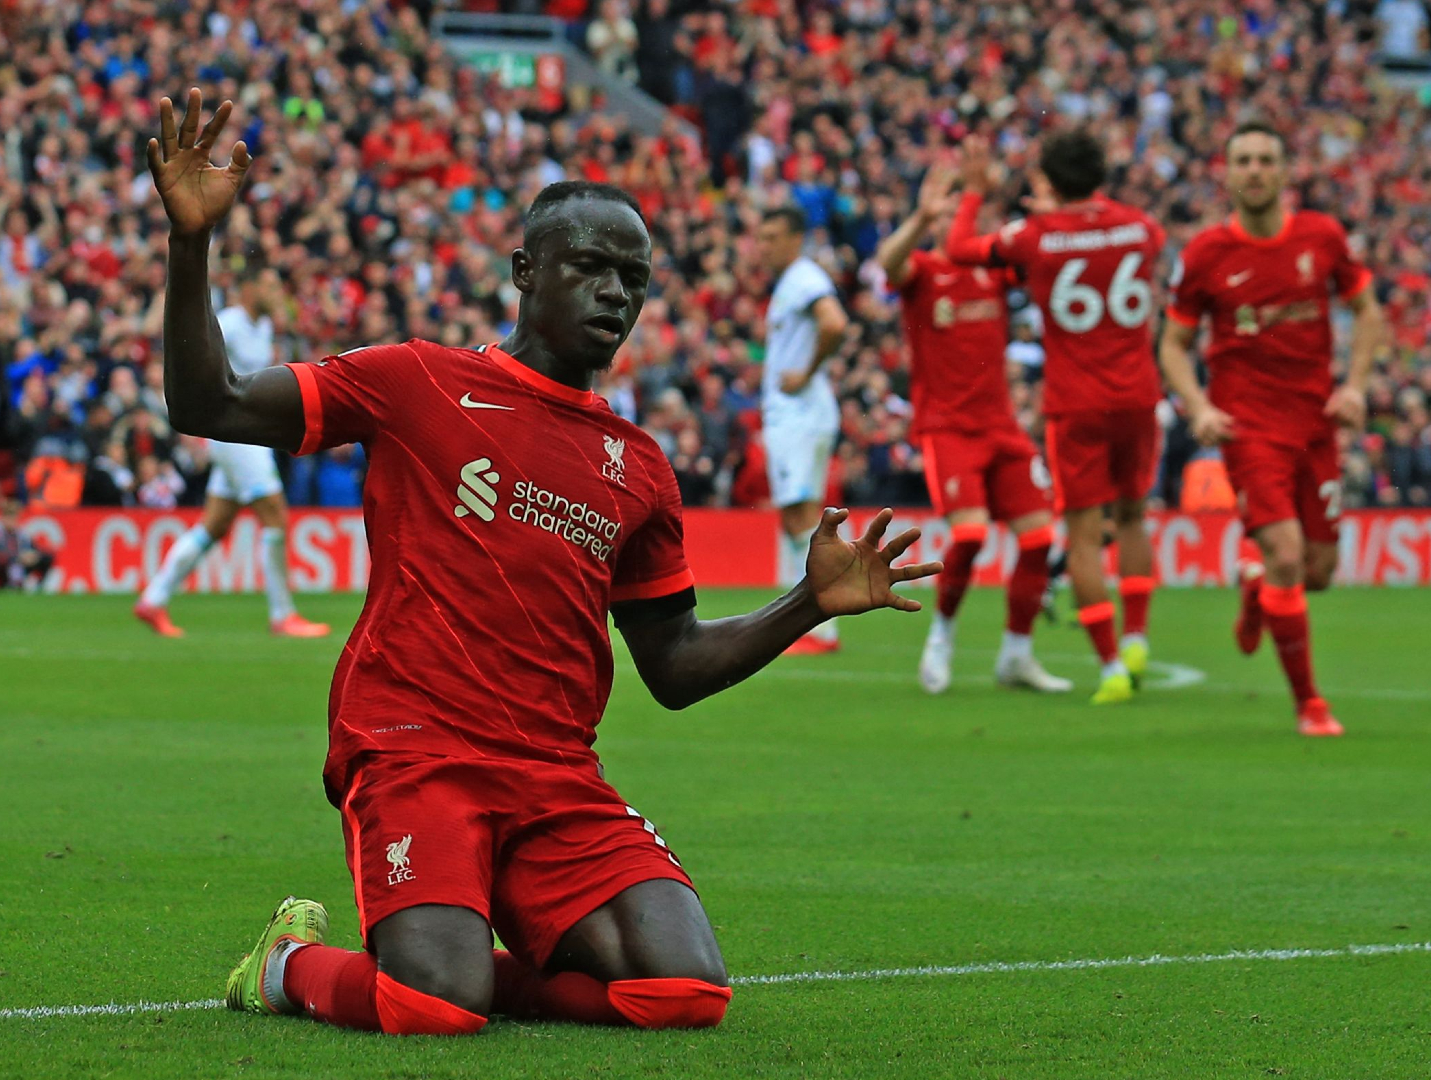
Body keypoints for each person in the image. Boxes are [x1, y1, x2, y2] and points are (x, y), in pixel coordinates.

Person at [147, 89, 938, 1036]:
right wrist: (190, 244)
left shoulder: (639, 464)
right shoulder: (418, 381)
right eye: (593, 268)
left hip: (555, 771)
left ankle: (469, 959)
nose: (617, 294)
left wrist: (805, 604)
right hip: (414, 744)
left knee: (683, 994)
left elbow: (674, 666)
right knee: (430, 1008)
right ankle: (287, 966)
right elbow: (213, 403)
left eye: (634, 279)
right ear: (527, 270)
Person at [1158, 122, 1384, 737]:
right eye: (1244, 161)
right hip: (1249, 428)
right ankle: (1310, 704)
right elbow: (1173, 344)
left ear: (1285, 172)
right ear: (1227, 174)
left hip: (1315, 424)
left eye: (1265, 160)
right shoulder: (1206, 254)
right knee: (1286, 553)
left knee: (1318, 572)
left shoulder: (1323, 236)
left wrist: (1356, 384)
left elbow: (1367, 310)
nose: (1255, 170)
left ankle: (1257, 587)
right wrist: (1199, 406)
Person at [945, 132, 1165, 705]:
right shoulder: (1143, 227)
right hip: (1139, 394)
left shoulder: (1036, 237)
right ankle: (1138, 635)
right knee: (1136, 515)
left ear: (1048, 180)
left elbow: (960, 245)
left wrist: (973, 192)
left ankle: (1113, 666)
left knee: (1085, 538)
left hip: (1076, 403)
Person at [872, 166, 1070, 695]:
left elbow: (1046, 258)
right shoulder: (923, 271)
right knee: (972, 534)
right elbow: (887, 264)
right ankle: (941, 637)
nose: (966, 215)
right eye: (957, 206)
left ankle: (1017, 655)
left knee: (1039, 539)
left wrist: (1051, 212)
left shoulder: (994, 272)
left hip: (1001, 426)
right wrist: (918, 218)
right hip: (949, 429)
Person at [133, 269, 330, 639]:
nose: (277, 292)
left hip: (248, 434)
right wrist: (185, 422)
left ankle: (153, 599)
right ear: (249, 289)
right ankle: (283, 614)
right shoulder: (232, 324)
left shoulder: (264, 327)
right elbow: (188, 361)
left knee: (216, 523)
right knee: (275, 516)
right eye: (270, 284)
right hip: (235, 436)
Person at [755, 205, 849, 655]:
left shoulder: (803, 279)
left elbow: (835, 323)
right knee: (799, 516)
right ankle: (814, 624)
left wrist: (808, 372)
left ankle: (815, 627)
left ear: (795, 238)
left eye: (772, 236)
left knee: (801, 517)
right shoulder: (791, 283)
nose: (764, 246)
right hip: (798, 415)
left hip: (799, 413)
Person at [0, 502, 56, 591]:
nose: (11, 521)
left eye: (14, 517)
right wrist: (19, 557)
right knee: (10, 565)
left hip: (20, 563)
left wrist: (33, 555)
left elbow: (33, 548)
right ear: (2, 518)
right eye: (9, 517)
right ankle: (9, 585)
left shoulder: (21, 534)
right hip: (0, 568)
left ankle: (39, 586)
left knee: (46, 557)